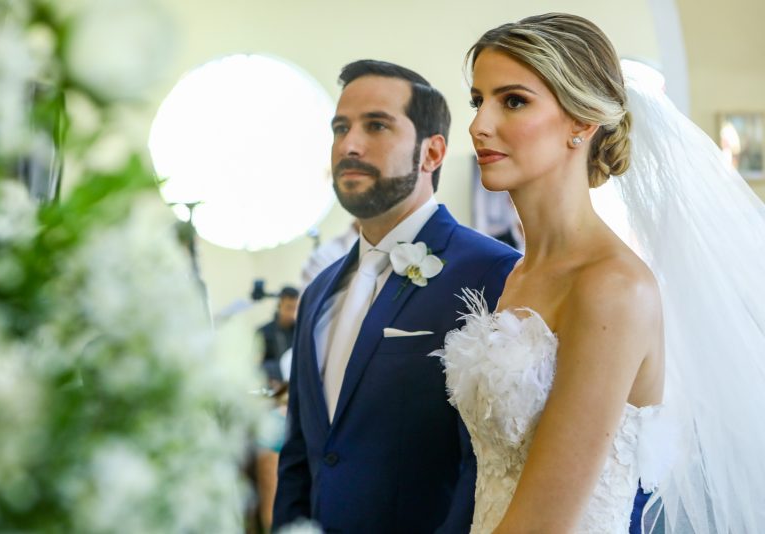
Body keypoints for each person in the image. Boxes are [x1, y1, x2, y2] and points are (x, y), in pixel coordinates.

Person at [439, 12, 765, 534]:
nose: (479, 125)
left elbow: (544, 522)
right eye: (479, 100)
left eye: (514, 100)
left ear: (582, 122)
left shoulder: (613, 287)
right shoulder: (523, 272)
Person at [272, 60, 520, 533]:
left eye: (376, 125)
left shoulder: (491, 273)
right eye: (340, 128)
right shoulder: (318, 293)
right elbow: (302, 456)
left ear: (431, 152)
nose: (349, 145)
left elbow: (486, 466)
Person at [256, 286, 299, 387]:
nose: (292, 314)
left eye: (295, 308)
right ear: (280, 305)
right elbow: (256, 367)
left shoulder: (299, 332)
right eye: (289, 308)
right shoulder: (263, 332)